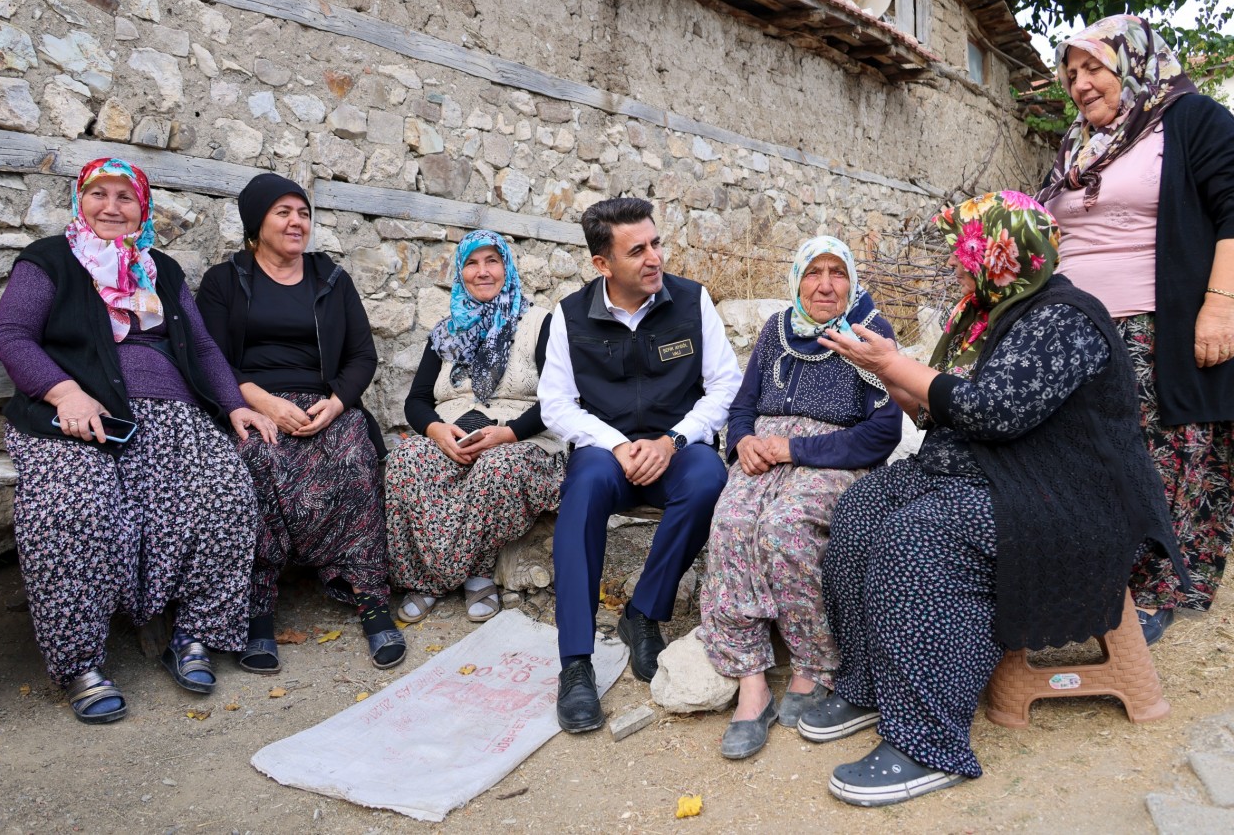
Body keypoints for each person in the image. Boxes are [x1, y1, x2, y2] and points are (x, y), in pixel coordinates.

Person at [807, 192, 1185, 807]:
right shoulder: (986, 314)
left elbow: (994, 410)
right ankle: (871, 680)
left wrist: (897, 363)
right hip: (983, 468)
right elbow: (941, 414)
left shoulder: (1067, 317)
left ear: (1004, 254)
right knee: (860, 511)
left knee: (917, 538)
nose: (959, 266)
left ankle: (928, 741)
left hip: (1059, 493)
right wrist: (883, 372)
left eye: (967, 253)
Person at [0, 157, 276, 723]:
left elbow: (200, 344)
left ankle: (193, 633)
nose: (112, 208)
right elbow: (10, 335)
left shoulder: (159, 269)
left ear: (142, 209)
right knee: (74, 507)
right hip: (76, 418)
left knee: (225, 495)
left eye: (126, 198)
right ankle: (80, 664)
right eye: (100, 194)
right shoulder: (50, 259)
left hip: (173, 415)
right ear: (81, 200)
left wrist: (235, 404)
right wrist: (63, 392)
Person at [1036, 15, 1234, 644]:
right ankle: (1101, 575)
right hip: (1075, 328)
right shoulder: (1076, 147)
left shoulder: (1189, 119)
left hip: (1157, 325)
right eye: (1071, 72)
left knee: (1162, 453)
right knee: (1087, 457)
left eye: (1094, 68)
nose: (1080, 84)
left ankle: (1157, 588)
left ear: (1133, 62)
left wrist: (1220, 305)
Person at [538, 196, 743, 734]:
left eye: (656, 244)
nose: (654, 258)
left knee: (708, 479)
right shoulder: (568, 315)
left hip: (677, 451)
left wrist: (672, 440)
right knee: (580, 494)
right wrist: (615, 445)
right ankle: (576, 663)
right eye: (638, 250)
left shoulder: (693, 302)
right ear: (602, 264)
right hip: (606, 457)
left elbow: (726, 384)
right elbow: (556, 403)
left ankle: (643, 614)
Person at [698, 236, 902, 760]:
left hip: (832, 457)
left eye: (838, 271)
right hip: (763, 452)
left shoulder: (869, 332)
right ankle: (752, 681)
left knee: (784, 526)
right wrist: (743, 442)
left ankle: (813, 663)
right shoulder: (776, 330)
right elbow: (741, 407)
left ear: (852, 279)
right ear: (797, 278)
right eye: (814, 272)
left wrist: (793, 447)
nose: (827, 285)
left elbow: (882, 433)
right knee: (732, 524)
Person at [197, 173, 404, 674]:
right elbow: (208, 358)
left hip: (322, 403)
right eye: (283, 213)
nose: (297, 222)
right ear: (256, 222)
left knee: (355, 452)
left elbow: (361, 354)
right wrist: (261, 402)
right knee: (258, 458)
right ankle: (258, 609)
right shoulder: (224, 281)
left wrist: (335, 404)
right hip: (253, 403)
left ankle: (370, 597)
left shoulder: (330, 279)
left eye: (304, 213)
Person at [385, 229, 565, 623]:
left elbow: (559, 398)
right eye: (472, 263)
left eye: (492, 261)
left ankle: (462, 576)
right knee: (405, 460)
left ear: (507, 267)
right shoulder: (447, 330)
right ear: (461, 272)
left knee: (496, 467)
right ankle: (434, 576)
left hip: (522, 437)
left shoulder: (538, 323)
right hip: (453, 434)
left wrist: (508, 433)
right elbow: (416, 401)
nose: (482, 272)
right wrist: (436, 431)